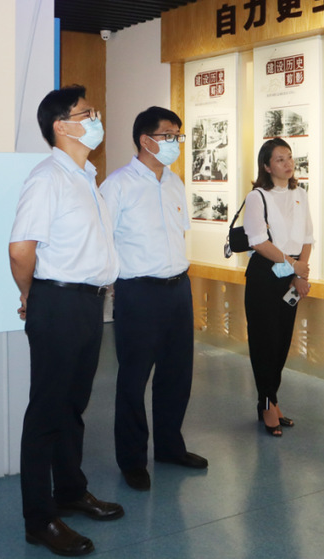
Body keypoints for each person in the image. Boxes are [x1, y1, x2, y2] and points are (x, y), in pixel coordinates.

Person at [10, 85, 122, 557]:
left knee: (72, 406)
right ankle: (39, 519)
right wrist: (31, 295)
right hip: (57, 303)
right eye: (86, 113)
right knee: (46, 413)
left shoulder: (86, 177)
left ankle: (71, 492)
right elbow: (21, 249)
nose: (96, 119)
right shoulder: (48, 177)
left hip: (88, 305)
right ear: (61, 126)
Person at [99, 106, 206, 492]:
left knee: (177, 374)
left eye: (179, 136)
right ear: (146, 140)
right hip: (138, 292)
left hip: (177, 288)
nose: (176, 142)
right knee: (134, 378)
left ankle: (170, 447)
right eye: (169, 136)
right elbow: (101, 238)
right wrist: (112, 285)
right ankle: (132, 459)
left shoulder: (175, 183)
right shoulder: (118, 185)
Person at [242, 138, 313, 437]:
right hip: (265, 274)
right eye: (280, 159)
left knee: (282, 340)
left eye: (289, 157)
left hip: (290, 275)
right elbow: (258, 241)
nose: (287, 163)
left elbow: (307, 237)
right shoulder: (257, 196)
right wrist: (293, 265)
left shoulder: (300, 194)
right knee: (265, 341)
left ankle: (270, 400)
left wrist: (300, 273)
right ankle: (268, 402)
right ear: (267, 166)